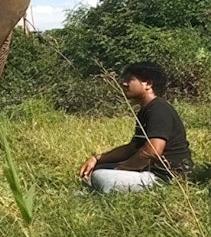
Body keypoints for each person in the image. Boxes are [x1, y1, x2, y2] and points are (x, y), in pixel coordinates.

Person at [78, 62, 193, 193]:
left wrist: (120, 169)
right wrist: (97, 158)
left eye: (129, 79)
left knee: (100, 176)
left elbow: (152, 151)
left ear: (148, 84)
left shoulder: (159, 109)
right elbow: (131, 148)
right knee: (96, 170)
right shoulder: (146, 110)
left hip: (165, 177)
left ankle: (96, 190)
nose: (124, 84)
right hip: (148, 171)